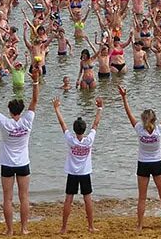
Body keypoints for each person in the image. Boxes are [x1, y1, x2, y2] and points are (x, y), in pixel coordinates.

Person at [0, 67, 40, 235]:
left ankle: (10, 230)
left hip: (7, 163)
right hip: (23, 163)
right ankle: (24, 229)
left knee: (8, 198)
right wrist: (35, 81)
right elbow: (35, 101)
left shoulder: (5, 123)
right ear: (21, 110)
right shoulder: (27, 120)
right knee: (24, 197)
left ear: (10, 111)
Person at [118, 84, 161, 231]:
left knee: (142, 197)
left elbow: (128, 113)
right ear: (154, 119)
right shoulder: (159, 130)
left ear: (143, 119)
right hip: (157, 163)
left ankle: (139, 225)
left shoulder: (139, 129)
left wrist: (124, 97)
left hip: (143, 164)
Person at [52, 96, 103, 233]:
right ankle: (91, 226)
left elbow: (63, 125)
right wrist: (99, 108)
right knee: (88, 199)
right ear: (84, 130)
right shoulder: (89, 140)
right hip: (85, 173)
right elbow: (96, 124)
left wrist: (57, 109)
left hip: (73, 173)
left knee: (68, 199)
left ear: (74, 130)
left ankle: (64, 227)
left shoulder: (70, 140)